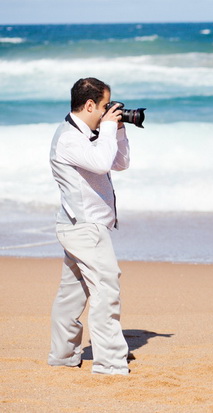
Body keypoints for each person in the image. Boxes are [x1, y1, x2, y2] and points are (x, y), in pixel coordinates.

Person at [48, 77, 130, 375]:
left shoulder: (89, 132)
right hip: (84, 227)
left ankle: (63, 355)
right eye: (106, 105)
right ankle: (109, 363)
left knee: (72, 293)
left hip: (81, 226)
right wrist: (108, 128)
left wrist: (117, 130)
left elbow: (119, 163)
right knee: (106, 288)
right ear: (90, 104)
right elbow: (100, 163)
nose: (110, 111)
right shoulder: (70, 138)